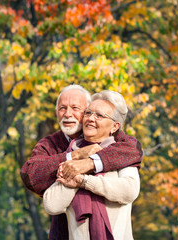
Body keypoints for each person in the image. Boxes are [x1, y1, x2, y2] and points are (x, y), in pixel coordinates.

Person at [43, 90, 140, 240]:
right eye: (88, 113)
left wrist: (85, 181)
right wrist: (76, 169)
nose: (90, 119)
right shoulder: (72, 155)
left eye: (99, 115)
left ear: (115, 127)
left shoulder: (121, 154)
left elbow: (129, 190)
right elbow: (52, 205)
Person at [20, 85, 143, 198]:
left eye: (75, 108)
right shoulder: (49, 143)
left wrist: (90, 163)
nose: (68, 114)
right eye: (62, 108)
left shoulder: (106, 135)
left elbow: (134, 148)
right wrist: (75, 155)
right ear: (57, 113)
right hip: (63, 220)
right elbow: (30, 175)